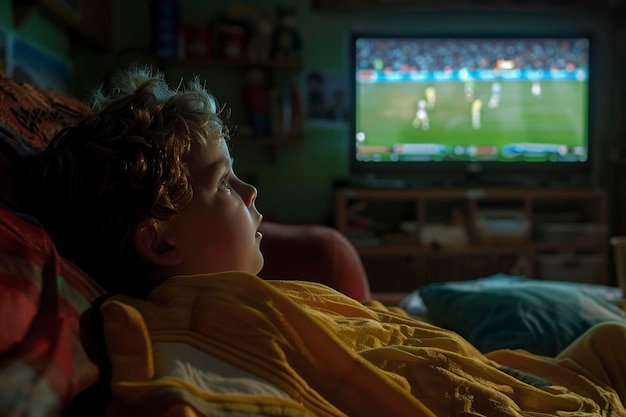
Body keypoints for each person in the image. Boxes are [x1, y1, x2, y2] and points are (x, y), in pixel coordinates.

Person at [32, 66, 626, 416]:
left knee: (609, 340)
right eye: (223, 183)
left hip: (496, 376)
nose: (252, 189)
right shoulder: (196, 323)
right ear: (160, 244)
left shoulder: (245, 298)